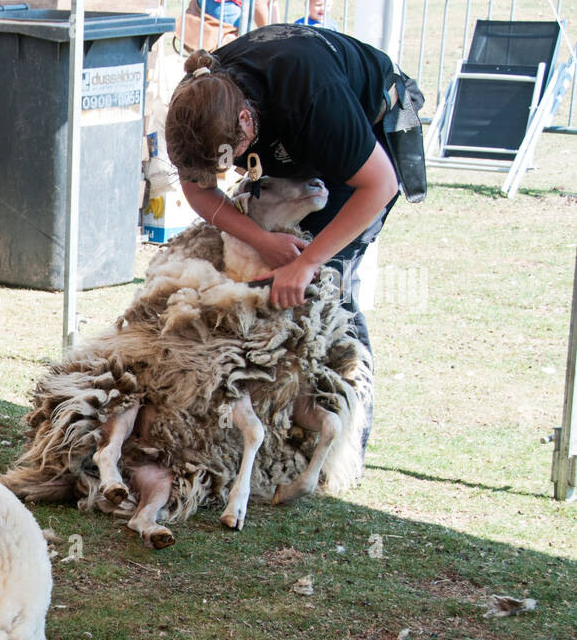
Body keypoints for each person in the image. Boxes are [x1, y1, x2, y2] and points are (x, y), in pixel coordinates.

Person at [163, 24, 426, 446]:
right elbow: (198, 187)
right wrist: (261, 239)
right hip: (289, 140)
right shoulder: (198, 102)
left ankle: (347, 435)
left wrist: (307, 262)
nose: (227, 172)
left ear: (246, 120)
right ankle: (277, 423)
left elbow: (379, 185)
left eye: (228, 161)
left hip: (366, 138)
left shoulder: (312, 97)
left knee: (328, 285)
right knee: (269, 267)